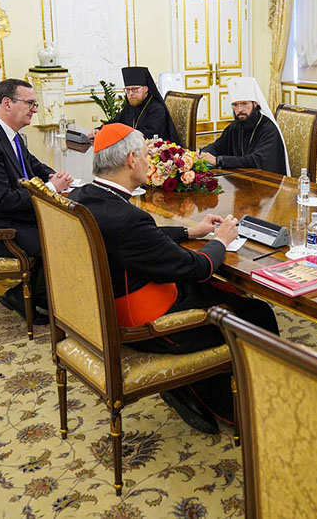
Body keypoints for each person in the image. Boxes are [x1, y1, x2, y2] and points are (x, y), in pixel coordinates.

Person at [69, 124, 279, 434]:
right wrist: (220, 240)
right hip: (146, 323)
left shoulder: (84, 195)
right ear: (130, 160)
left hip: (110, 302)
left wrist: (188, 232)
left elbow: (137, 240)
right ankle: (241, 408)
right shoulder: (128, 218)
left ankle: (193, 388)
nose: (148, 162)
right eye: (144, 156)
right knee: (256, 313)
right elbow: (198, 266)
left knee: (217, 290)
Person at [0, 78, 73, 322]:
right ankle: (26, 296)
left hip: (8, 216)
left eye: (35, 104)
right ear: (7, 103)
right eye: (30, 103)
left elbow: (31, 164)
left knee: (64, 228)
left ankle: (41, 296)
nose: (35, 109)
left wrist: (51, 175)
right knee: (58, 237)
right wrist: (51, 188)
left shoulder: (10, 134)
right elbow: (4, 200)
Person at [197, 77, 290, 176]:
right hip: (242, 179)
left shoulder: (269, 129)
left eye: (244, 104)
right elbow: (217, 146)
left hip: (267, 182)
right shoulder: (235, 126)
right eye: (235, 105)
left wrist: (219, 160)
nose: (240, 110)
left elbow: (256, 160)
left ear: (255, 104)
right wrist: (202, 153)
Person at [91, 67, 178, 142]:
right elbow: (116, 121)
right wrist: (100, 129)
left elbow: (148, 135)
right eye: (127, 90)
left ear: (145, 89)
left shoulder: (157, 109)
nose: (131, 93)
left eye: (135, 89)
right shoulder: (131, 105)